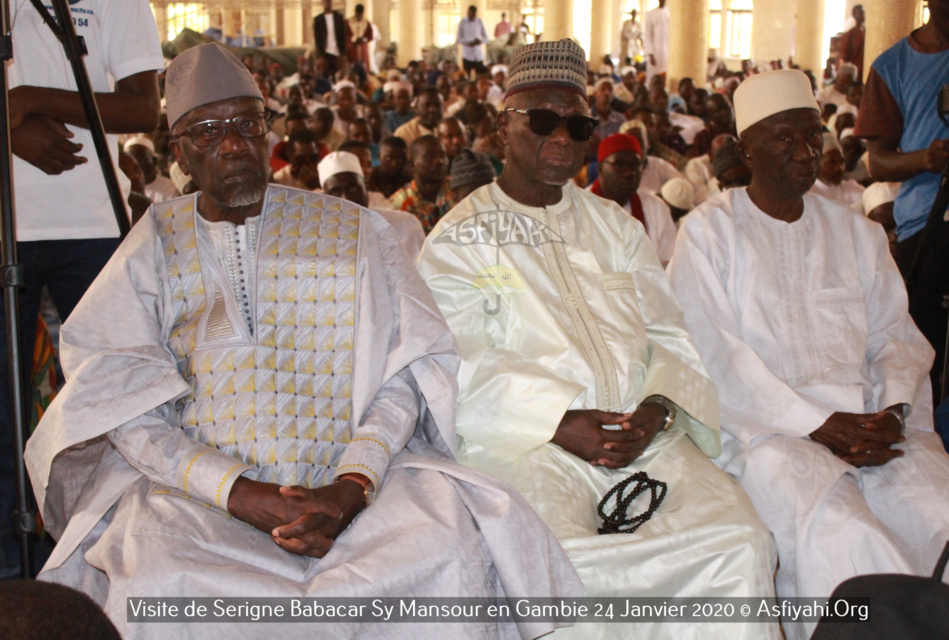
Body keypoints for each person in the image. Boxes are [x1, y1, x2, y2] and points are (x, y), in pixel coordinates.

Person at [25, 43, 581, 638]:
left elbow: (408, 375)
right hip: (196, 498)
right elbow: (120, 401)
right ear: (178, 150)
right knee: (156, 581)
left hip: (359, 486)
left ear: (269, 130)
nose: (234, 144)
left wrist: (352, 486)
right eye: (208, 131)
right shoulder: (150, 246)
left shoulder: (358, 230)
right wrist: (236, 491)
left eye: (247, 123)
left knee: (445, 552)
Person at [417, 39, 777, 640]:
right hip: (530, 448)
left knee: (742, 542)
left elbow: (668, 331)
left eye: (578, 124)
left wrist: (659, 409)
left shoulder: (615, 225)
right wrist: (559, 422)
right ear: (502, 126)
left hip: (645, 440)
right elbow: (457, 365)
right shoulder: (459, 241)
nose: (561, 138)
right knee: (566, 567)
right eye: (542, 121)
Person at [667, 69, 949, 640]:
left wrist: (894, 411)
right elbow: (713, 353)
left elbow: (894, 339)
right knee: (848, 538)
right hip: (770, 438)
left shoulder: (855, 233)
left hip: (878, 428)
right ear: (745, 148)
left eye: (812, 135)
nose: (805, 153)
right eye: (784, 138)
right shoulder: (709, 234)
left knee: (947, 510)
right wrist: (819, 424)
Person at [4, 0, 162, 579]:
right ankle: (13, 570)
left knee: (111, 401)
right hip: (6, 225)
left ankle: (113, 550)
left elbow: (143, 105)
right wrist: (8, 121)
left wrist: (29, 100)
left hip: (94, 224)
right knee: (4, 405)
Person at [854, 0, 949, 405]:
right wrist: (926, 159)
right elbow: (877, 161)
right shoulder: (891, 66)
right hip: (929, 224)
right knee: (923, 353)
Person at [590, 134, 677, 266]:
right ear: (600, 169)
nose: (629, 173)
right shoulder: (577, 208)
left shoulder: (656, 208)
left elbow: (669, 263)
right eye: (619, 165)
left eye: (635, 165)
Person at [318, 151, 425, 259]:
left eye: (353, 188)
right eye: (335, 193)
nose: (346, 199)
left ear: (366, 187)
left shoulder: (403, 225)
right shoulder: (317, 238)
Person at [388, 135, 456, 233]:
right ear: (412, 165)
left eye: (442, 155)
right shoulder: (399, 204)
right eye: (429, 156)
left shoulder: (458, 190)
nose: (439, 161)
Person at [811, 132, 865, 208]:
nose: (840, 168)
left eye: (842, 162)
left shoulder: (851, 188)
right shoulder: (809, 193)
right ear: (816, 164)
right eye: (832, 163)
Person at [124, 136, 180, 204]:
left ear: (154, 161)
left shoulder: (169, 188)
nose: (137, 162)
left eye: (141, 157)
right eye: (132, 159)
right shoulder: (123, 189)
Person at [313, 0, 346, 74]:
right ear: (323, 3)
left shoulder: (339, 18)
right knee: (325, 74)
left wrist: (343, 54)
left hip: (337, 53)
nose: (328, 4)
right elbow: (317, 39)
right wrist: (320, 55)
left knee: (338, 74)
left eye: (329, 2)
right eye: (326, 2)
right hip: (324, 54)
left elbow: (343, 36)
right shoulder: (318, 19)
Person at [643, 0, 669, 88]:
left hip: (667, 50)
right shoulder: (651, 14)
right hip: (655, 51)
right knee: (653, 75)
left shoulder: (669, 13)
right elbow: (647, 34)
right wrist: (650, 54)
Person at [456, 5, 489, 76]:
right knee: (466, 76)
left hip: (478, 55)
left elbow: (486, 38)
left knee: (480, 76)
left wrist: (480, 41)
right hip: (467, 55)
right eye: (471, 14)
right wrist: (469, 42)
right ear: (468, 12)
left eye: (474, 14)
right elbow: (458, 39)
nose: (472, 16)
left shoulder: (479, 22)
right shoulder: (462, 23)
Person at [839, 4, 866, 80]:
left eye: (863, 13)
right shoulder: (849, 34)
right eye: (860, 13)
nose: (863, 15)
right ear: (854, 15)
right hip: (855, 71)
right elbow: (844, 56)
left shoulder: (866, 32)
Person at [345, 4, 373, 69]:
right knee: (352, 65)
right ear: (355, 12)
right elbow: (345, 35)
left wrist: (364, 39)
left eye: (360, 14)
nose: (359, 15)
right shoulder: (348, 22)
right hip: (352, 47)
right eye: (358, 13)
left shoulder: (366, 22)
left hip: (362, 47)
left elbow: (370, 36)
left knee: (363, 65)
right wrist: (352, 39)